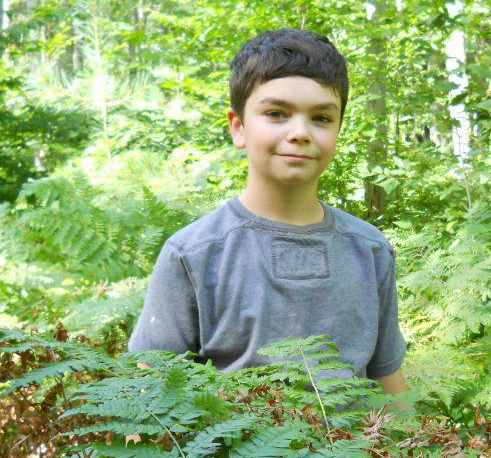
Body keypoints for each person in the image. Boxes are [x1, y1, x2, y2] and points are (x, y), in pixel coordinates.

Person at [128, 27, 407, 397]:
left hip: (354, 454)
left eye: (322, 118)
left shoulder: (369, 251)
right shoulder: (194, 254)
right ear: (239, 127)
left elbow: (392, 391)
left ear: (338, 129)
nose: (300, 132)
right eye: (277, 113)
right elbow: (149, 401)